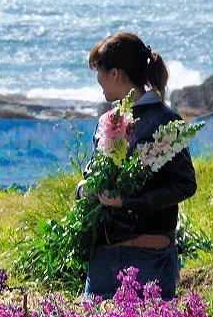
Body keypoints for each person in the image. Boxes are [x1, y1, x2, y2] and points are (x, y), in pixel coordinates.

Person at [81, 31, 197, 299]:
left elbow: (185, 183)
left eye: (99, 71)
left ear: (116, 74)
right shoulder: (106, 120)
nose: (97, 80)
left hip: (149, 256)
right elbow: (91, 171)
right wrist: (83, 189)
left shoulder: (166, 121)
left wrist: (128, 201)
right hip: (104, 256)